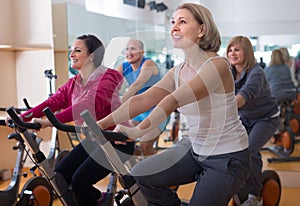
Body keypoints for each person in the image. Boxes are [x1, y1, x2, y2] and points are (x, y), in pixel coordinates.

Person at [97, 3, 251, 206]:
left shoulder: (217, 65)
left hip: (227, 156)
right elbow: (142, 99)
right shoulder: (178, 71)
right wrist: (102, 124)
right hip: (195, 148)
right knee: (141, 176)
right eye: (173, 22)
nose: (174, 27)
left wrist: (136, 132)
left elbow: (172, 100)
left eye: (183, 21)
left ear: (202, 30)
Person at [7, 34, 135, 206]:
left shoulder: (108, 78)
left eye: (77, 50)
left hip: (118, 141)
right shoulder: (74, 83)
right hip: (95, 140)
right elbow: (52, 102)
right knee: (60, 176)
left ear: (91, 56)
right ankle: (98, 198)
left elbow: (86, 105)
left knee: (80, 181)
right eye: (71, 50)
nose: (71, 54)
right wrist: (22, 118)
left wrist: (49, 121)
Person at [226, 35, 280, 206]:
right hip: (245, 119)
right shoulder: (229, 72)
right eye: (230, 49)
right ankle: (242, 183)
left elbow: (243, 97)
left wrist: (222, 112)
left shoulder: (256, 72)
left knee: (249, 151)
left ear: (247, 52)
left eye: (237, 49)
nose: (232, 53)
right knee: (230, 151)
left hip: (266, 119)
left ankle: (255, 196)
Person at [117, 38, 168, 156]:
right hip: (139, 112)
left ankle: (160, 173)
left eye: (133, 49)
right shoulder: (124, 66)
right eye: (127, 49)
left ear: (142, 52)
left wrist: (120, 102)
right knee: (125, 143)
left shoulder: (148, 63)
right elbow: (109, 83)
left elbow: (137, 85)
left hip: (157, 111)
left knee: (146, 146)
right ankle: (137, 172)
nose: (129, 52)